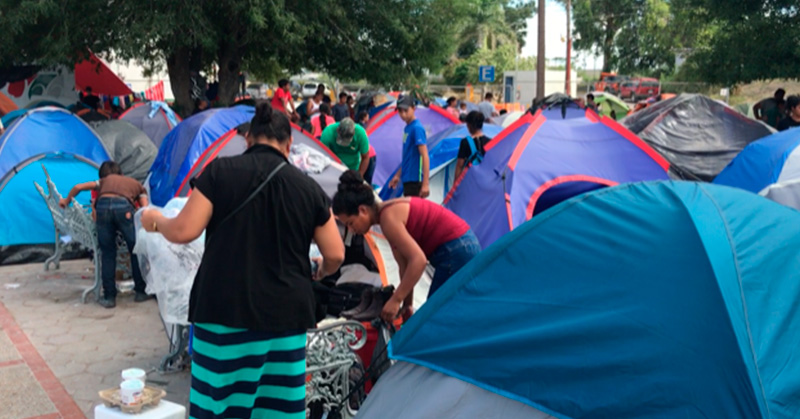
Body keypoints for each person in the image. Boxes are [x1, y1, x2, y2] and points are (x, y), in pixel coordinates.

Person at [140, 102, 345, 419]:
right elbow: (335, 254)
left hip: (224, 313)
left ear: (247, 139)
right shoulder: (308, 188)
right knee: (276, 411)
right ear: (289, 144)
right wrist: (319, 271)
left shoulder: (219, 172)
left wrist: (154, 220)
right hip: (286, 319)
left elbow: (183, 230)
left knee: (220, 408)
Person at [333, 170, 481, 322]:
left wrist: (396, 299)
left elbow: (418, 260)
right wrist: (407, 305)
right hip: (464, 245)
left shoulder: (388, 218)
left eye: (350, 223)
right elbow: (404, 265)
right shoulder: (388, 213)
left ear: (362, 210)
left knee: (433, 318)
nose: (351, 230)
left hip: (456, 249)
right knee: (443, 314)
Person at [59, 161, 151, 308]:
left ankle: (109, 297)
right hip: (123, 208)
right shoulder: (135, 183)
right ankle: (140, 292)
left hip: (102, 208)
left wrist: (66, 200)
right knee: (135, 249)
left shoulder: (103, 182)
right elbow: (144, 206)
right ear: (121, 174)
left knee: (107, 253)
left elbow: (78, 187)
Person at [389, 95, 430, 198]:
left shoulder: (417, 128)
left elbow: (425, 155)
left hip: (415, 180)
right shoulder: (408, 128)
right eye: (400, 111)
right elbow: (408, 156)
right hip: (407, 178)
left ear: (413, 108)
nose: (403, 114)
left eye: (406, 110)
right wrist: (398, 175)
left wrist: (425, 184)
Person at [454, 111, 490, 181]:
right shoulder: (490, 141)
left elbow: (459, 166)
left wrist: (455, 184)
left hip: (470, 180)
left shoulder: (465, 142)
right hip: (485, 180)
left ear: (469, 125)